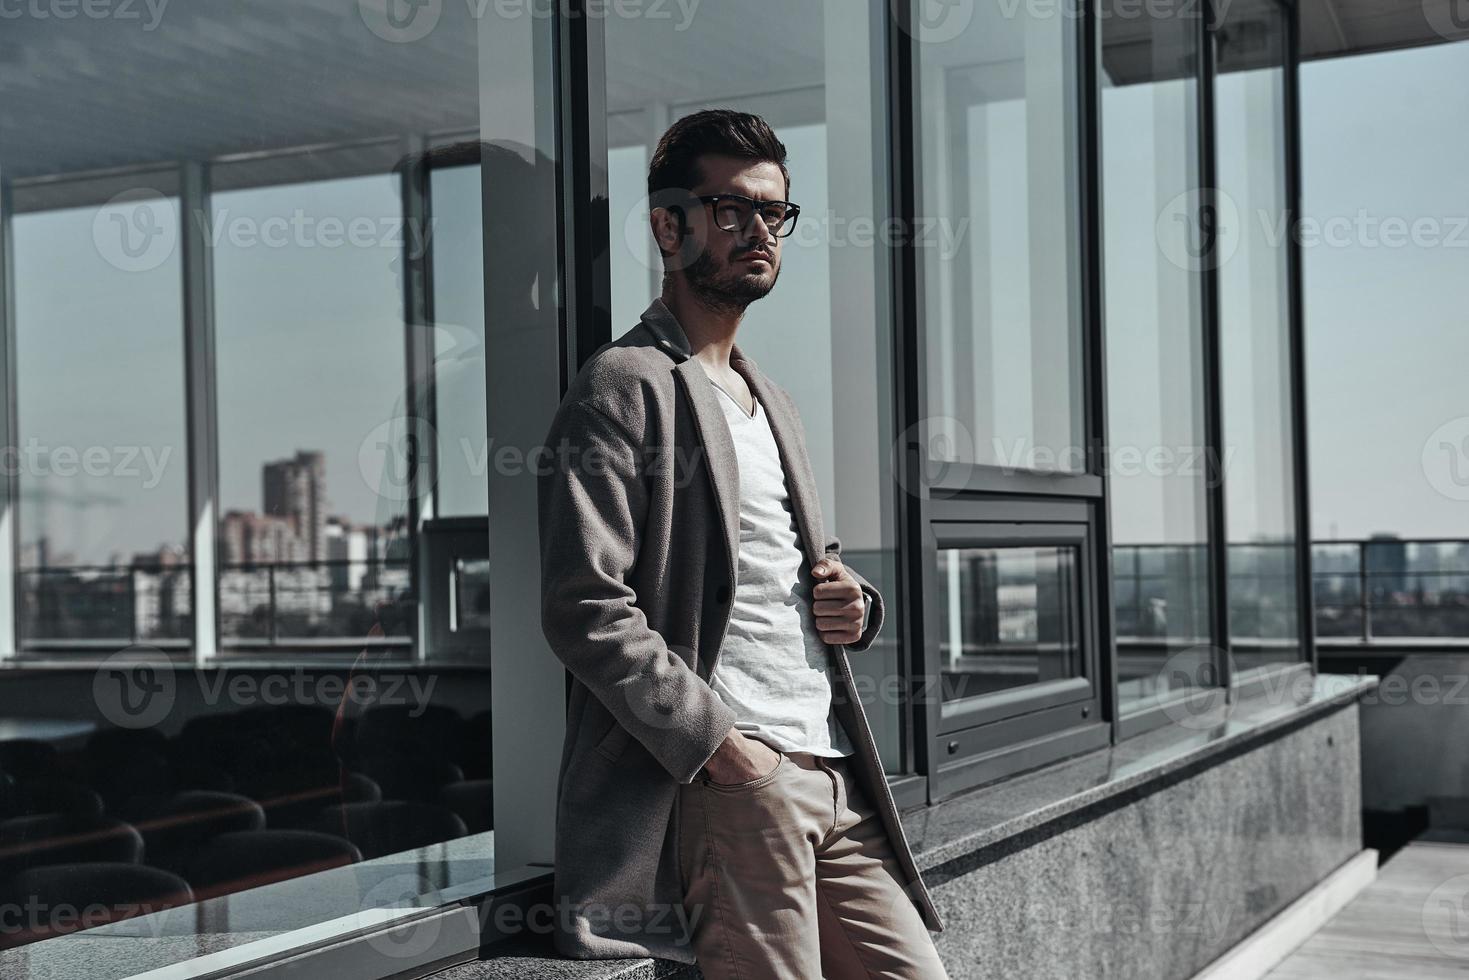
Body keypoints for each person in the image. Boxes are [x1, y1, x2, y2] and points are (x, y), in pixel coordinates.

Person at [538, 109, 948, 978]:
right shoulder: (624, 385)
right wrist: (721, 747)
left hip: (834, 766)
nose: (759, 230)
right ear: (667, 225)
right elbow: (585, 608)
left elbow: (780, 570)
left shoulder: (772, 400)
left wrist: (851, 601)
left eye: (774, 212)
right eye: (732, 210)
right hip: (738, 778)